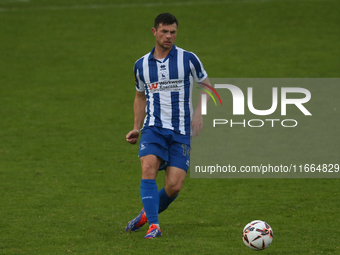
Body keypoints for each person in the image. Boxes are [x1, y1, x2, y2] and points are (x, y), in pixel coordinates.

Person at [125, 12, 212, 239]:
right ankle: (154, 225)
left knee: (174, 185)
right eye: (164, 31)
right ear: (155, 32)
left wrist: (199, 114)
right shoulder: (141, 65)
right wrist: (136, 126)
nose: (169, 36)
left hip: (181, 130)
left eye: (173, 32)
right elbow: (140, 97)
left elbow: (207, 86)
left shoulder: (188, 59)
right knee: (147, 170)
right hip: (153, 128)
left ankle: (146, 214)